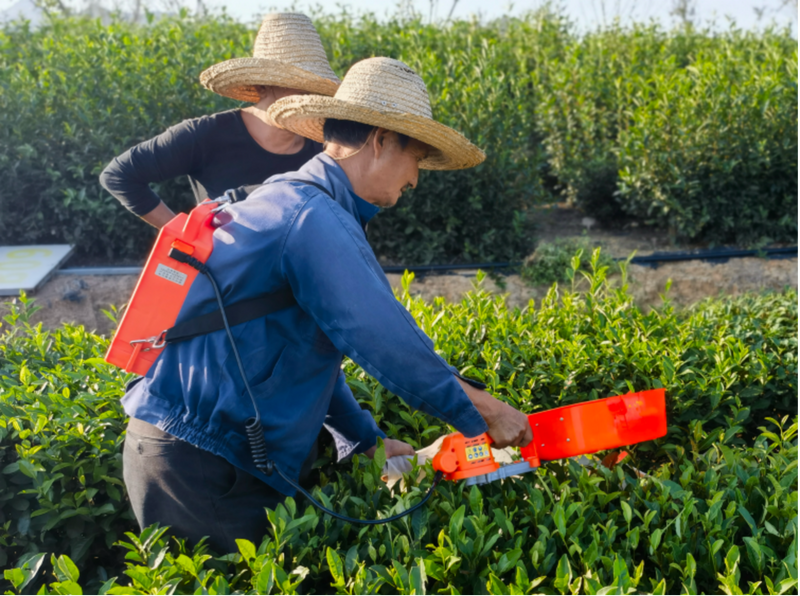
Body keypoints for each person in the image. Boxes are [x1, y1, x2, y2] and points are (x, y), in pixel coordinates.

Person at [120, 57, 533, 554]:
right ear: (381, 141)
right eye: (416, 159)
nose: (416, 179)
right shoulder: (308, 216)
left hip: (199, 453)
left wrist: (365, 440)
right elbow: (382, 337)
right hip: (202, 463)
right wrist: (485, 411)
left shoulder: (302, 204)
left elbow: (308, 353)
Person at [99, 12, 340, 229]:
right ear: (262, 84)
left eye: (313, 88)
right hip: (227, 277)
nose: (306, 96)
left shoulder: (325, 147)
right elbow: (120, 175)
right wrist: (183, 237)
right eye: (296, 85)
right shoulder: (205, 135)